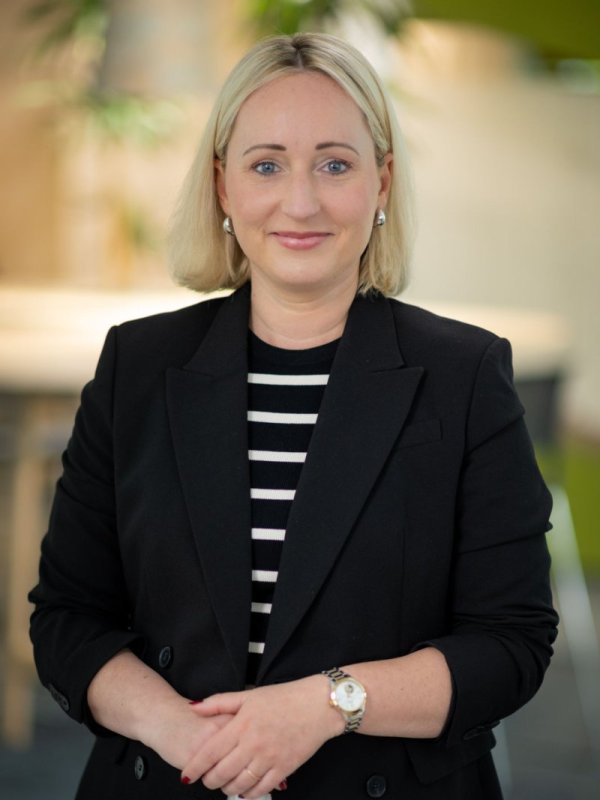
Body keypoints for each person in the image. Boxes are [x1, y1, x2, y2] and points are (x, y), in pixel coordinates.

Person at [29, 32, 558, 800]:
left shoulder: (465, 375)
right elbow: (68, 619)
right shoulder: (136, 366)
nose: (301, 202)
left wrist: (325, 705)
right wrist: (188, 736)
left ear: (381, 181)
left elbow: (511, 644)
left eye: (335, 165)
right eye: (267, 164)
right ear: (222, 185)